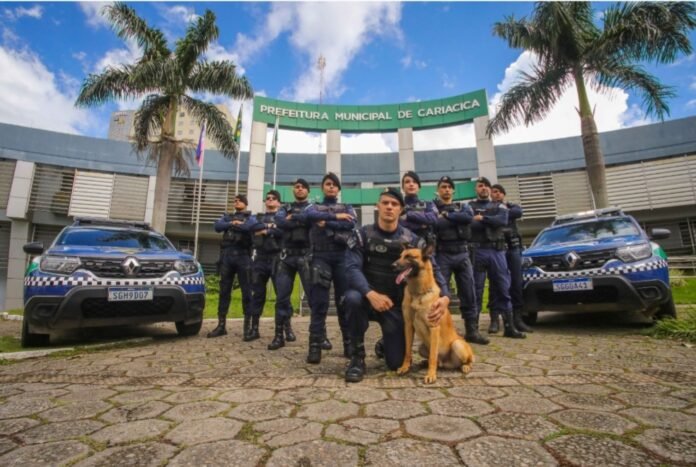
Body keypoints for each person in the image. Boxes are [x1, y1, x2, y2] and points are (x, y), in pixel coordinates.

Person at [343, 188, 451, 383]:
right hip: (367, 298)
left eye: (394, 204)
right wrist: (370, 293)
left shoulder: (413, 240)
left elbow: (433, 268)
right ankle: (357, 358)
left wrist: (445, 297)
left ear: (400, 210)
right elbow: (351, 268)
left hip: (393, 304)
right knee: (351, 299)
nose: (389, 207)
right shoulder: (361, 235)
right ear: (377, 206)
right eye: (385, 203)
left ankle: (386, 343)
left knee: (395, 363)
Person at [304, 173, 357, 363]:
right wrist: (336, 217)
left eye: (334, 184)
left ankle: (349, 344)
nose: (331, 187)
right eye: (328, 184)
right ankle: (314, 346)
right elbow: (309, 215)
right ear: (322, 187)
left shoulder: (347, 207)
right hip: (320, 257)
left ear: (339, 189)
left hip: (342, 257)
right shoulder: (313, 206)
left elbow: (351, 223)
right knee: (319, 303)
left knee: (345, 302)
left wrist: (326, 222)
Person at [470, 177, 525, 340]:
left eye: (486, 186)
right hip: (478, 251)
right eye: (480, 186)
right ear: (476, 189)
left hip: (497, 251)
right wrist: (490, 220)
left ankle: (509, 327)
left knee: (503, 288)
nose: (484, 188)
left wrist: (482, 218)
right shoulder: (469, 206)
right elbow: (470, 224)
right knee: (476, 290)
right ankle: (473, 330)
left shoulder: (499, 206)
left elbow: (502, 220)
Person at [433, 176, 486, 344]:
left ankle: (472, 331)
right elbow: (437, 225)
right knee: (440, 294)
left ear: (453, 190)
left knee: (469, 292)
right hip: (442, 253)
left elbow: (468, 219)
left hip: (462, 253)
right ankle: (441, 332)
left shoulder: (464, 206)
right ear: (438, 190)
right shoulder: (433, 207)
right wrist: (455, 218)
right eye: (443, 187)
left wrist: (447, 215)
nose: (446, 190)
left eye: (449, 187)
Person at [208, 194, 257, 338]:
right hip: (227, 257)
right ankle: (221, 325)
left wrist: (235, 224)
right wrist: (232, 223)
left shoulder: (251, 218)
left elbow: (250, 227)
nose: (236, 202)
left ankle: (247, 327)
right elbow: (217, 226)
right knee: (224, 291)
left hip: (243, 257)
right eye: (235, 201)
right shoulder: (227, 217)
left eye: (239, 201)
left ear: (245, 204)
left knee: (246, 292)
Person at [272, 179, 313, 350]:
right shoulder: (284, 208)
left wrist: (293, 218)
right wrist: (301, 220)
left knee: (313, 298)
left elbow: (313, 219)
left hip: (306, 257)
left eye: (303, 187)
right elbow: (279, 221)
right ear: (293, 190)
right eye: (297, 187)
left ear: (308, 191)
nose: (300, 189)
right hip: (286, 258)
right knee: (282, 298)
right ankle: (278, 336)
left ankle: (319, 337)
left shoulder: (313, 207)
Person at [491, 184, 533, 333]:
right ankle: (495, 319)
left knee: (516, 283)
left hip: (513, 248)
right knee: (497, 284)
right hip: (498, 249)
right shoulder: (489, 208)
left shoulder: (510, 206)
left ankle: (518, 319)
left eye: (498, 192)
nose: (496, 194)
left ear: (503, 194)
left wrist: (501, 213)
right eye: (493, 192)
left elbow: (518, 212)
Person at [248, 190, 283, 343]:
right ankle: (254, 328)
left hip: (277, 258)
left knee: (282, 295)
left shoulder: (282, 217)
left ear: (278, 202)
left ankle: (286, 328)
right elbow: (251, 227)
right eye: (267, 198)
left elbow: (283, 230)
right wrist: (271, 227)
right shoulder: (257, 217)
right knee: (257, 295)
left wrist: (266, 230)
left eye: (273, 198)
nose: (270, 200)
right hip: (260, 258)